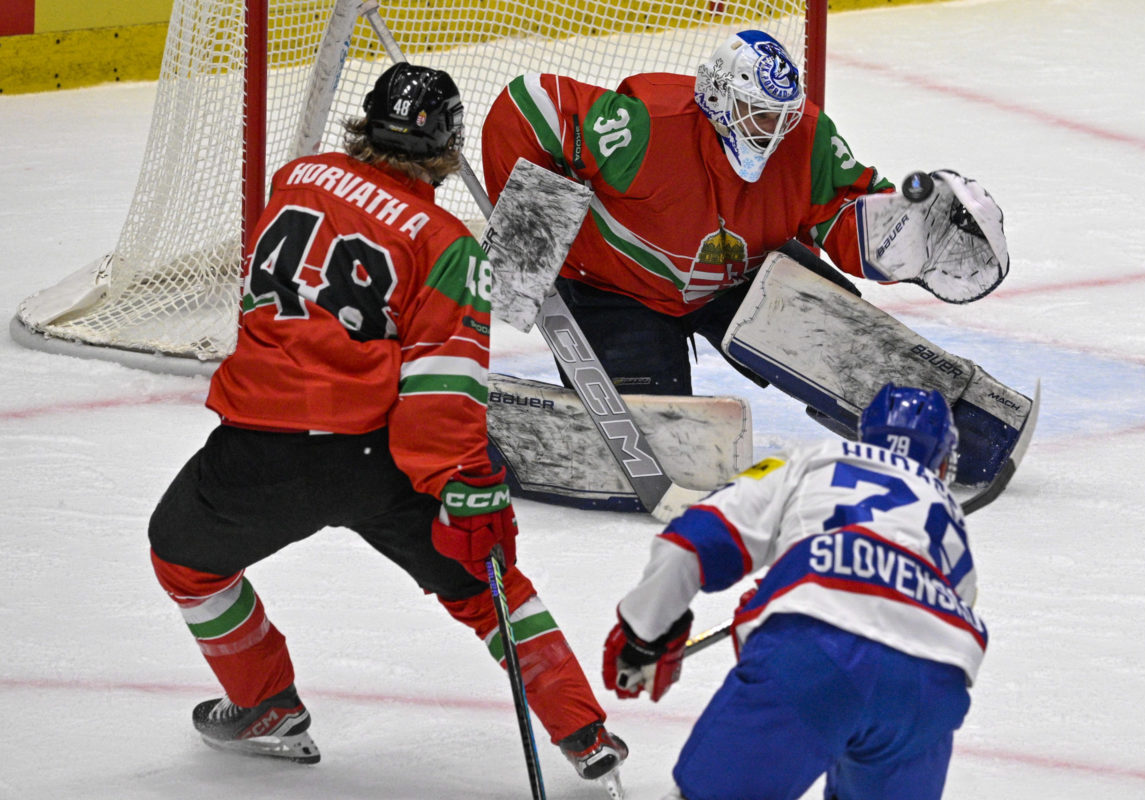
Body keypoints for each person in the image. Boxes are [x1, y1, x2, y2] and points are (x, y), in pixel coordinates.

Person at [146, 62, 626, 787]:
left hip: (260, 447)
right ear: (449, 145)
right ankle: (583, 730)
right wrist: (468, 487)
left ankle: (264, 706)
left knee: (184, 560)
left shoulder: (296, 177)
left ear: (367, 122)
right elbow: (442, 388)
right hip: (379, 459)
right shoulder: (445, 243)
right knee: (486, 587)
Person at [480, 30, 1017, 485]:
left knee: (842, 331)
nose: (771, 129)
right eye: (756, 113)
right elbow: (528, 106)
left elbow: (847, 211)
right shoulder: (647, 126)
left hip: (743, 277)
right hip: (614, 290)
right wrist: (528, 236)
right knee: (667, 453)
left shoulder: (805, 138)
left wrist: (913, 233)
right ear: (716, 96)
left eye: (779, 115)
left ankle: (954, 425)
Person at [602, 383, 986, 800]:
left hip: (816, 648)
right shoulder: (951, 520)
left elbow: (688, 546)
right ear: (943, 460)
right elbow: (907, 623)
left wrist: (644, 635)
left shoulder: (808, 462)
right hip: (930, 686)